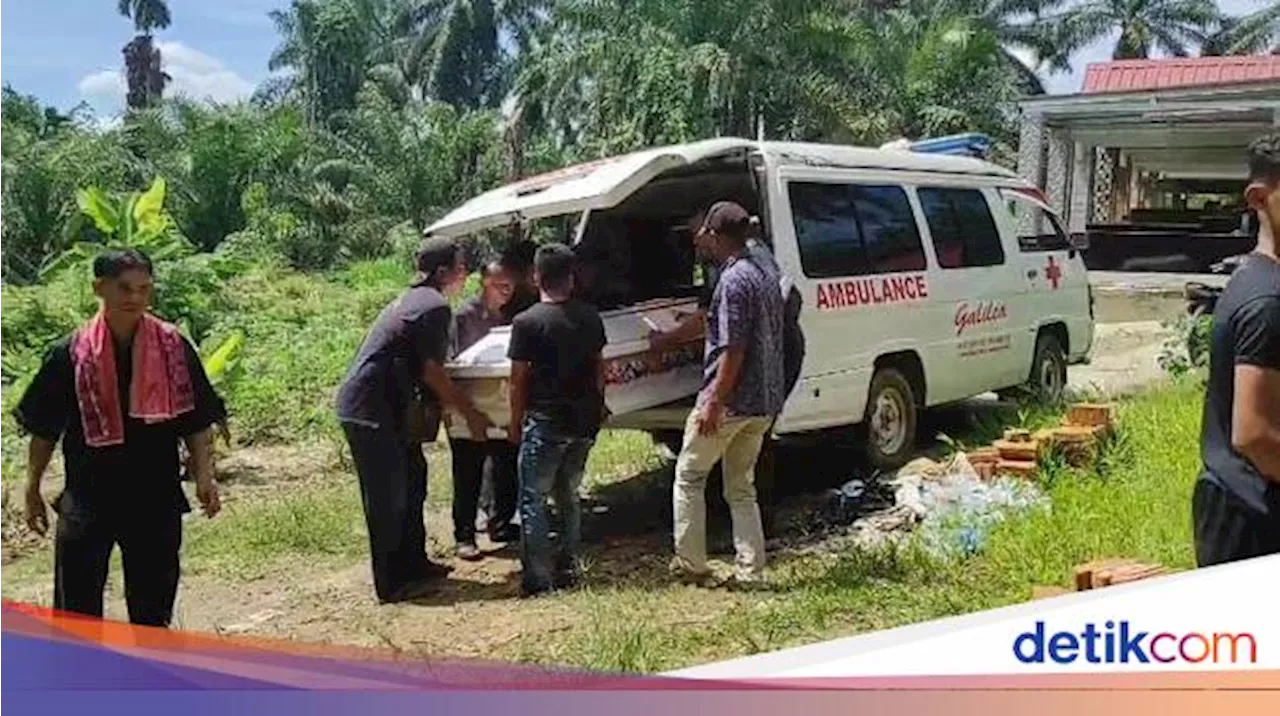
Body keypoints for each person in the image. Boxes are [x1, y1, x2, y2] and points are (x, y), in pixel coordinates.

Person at [15, 250, 224, 627]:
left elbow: (196, 419)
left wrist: (205, 475)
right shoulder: (70, 353)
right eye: (124, 289)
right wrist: (31, 488)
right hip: (89, 494)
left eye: (144, 289)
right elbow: (44, 429)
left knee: (153, 603)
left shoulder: (173, 348)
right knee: (76, 607)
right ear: (100, 288)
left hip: (155, 493)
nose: (135, 299)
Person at [336, 237, 493, 604]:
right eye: (460, 268)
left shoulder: (417, 300)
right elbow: (433, 373)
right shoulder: (434, 306)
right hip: (370, 411)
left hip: (388, 409)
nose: (464, 275)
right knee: (387, 496)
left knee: (413, 482)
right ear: (442, 272)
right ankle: (392, 584)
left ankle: (414, 563)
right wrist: (471, 414)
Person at [658, 201, 785, 587]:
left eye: (705, 233)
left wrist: (714, 400)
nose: (701, 239)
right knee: (741, 487)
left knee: (690, 475)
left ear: (716, 235)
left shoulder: (732, 281)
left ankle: (692, 565)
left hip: (730, 401)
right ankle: (751, 569)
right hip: (764, 400)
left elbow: (734, 348)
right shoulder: (764, 270)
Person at [1195, 133, 1280, 568]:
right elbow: (1254, 435)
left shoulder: (1257, 278)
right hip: (1253, 518)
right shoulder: (1267, 298)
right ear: (1259, 198)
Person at [507, 243, 608, 597]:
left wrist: (514, 421)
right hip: (583, 423)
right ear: (571, 277)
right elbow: (599, 369)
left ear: (536, 278)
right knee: (568, 495)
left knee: (532, 500)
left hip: (546, 422)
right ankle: (569, 566)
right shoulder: (590, 316)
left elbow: (517, 379)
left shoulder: (526, 322)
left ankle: (538, 579)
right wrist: (600, 406)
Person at [448, 261, 521, 560]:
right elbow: (452, 362)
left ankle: (501, 523)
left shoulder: (508, 317)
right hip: (468, 405)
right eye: (500, 285)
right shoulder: (463, 318)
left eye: (510, 287)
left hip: (500, 402)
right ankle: (464, 535)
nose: (506, 292)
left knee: (505, 463)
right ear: (483, 282)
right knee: (468, 470)